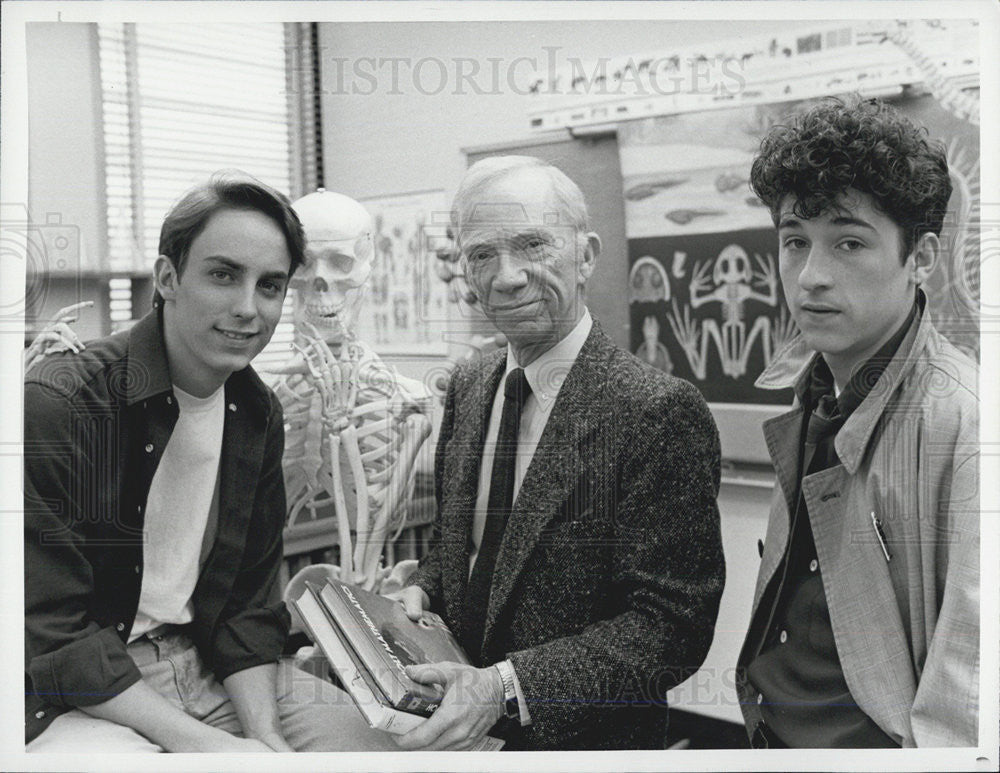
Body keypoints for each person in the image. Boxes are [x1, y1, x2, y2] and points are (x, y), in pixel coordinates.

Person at [24, 173, 397, 753]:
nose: (248, 309)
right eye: (223, 275)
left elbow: (246, 607)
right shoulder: (63, 402)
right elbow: (55, 636)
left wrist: (265, 736)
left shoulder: (257, 411)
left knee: (369, 751)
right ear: (168, 278)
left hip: (202, 661)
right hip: (80, 685)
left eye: (270, 286)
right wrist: (213, 749)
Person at [387, 155, 726, 750]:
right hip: (451, 735)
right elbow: (457, 544)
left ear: (587, 255)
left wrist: (506, 687)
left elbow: (671, 627)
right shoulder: (470, 385)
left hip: (579, 748)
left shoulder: (655, 411)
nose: (507, 276)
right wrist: (424, 588)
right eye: (481, 255)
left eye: (532, 246)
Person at [736, 97, 979, 747]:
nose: (810, 276)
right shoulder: (812, 390)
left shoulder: (967, 424)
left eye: (848, 241)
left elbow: (968, 701)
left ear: (922, 257)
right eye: (795, 241)